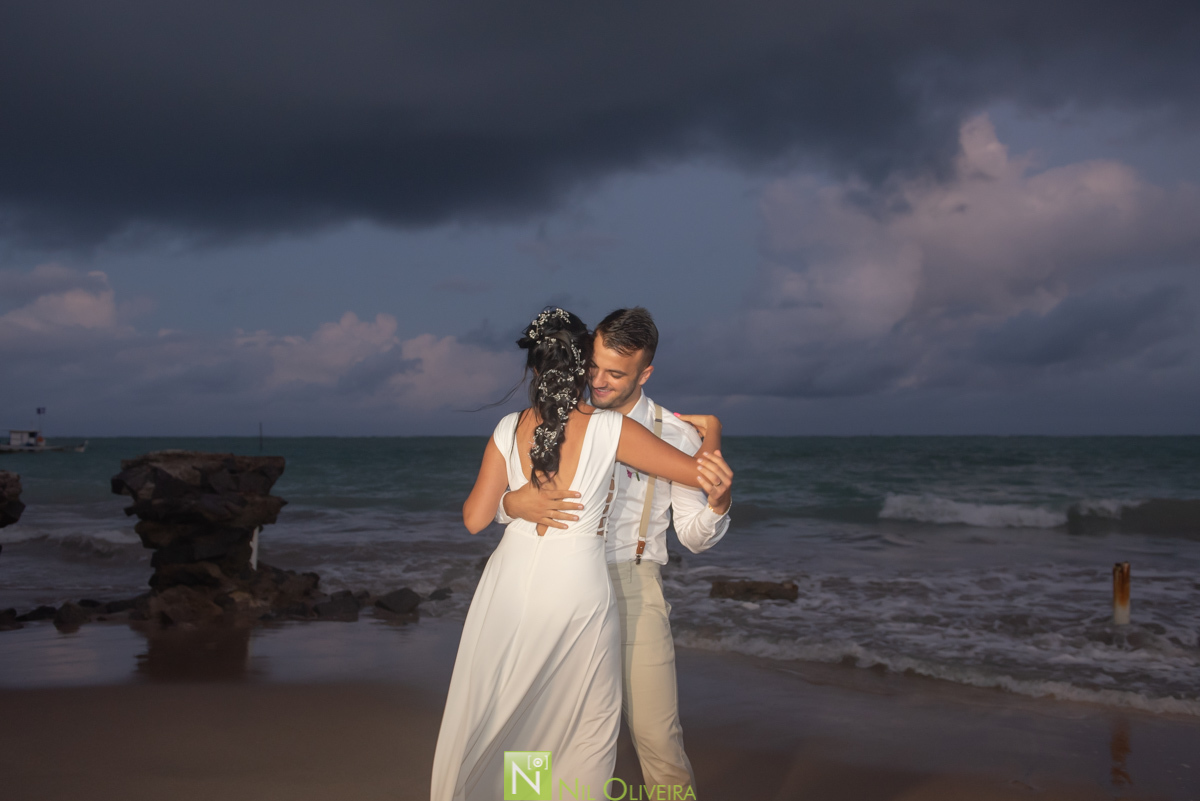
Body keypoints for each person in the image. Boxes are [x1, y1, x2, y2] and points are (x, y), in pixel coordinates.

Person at [430, 308, 728, 801]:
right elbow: (497, 507)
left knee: (644, 737)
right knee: (560, 725)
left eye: (616, 373)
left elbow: (696, 533)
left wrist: (707, 437)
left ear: (644, 373)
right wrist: (513, 503)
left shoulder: (669, 433)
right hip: (573, 587)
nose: (601, 380)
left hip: (588, 585)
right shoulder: (590, 423)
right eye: (594, 367)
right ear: (580, 361)